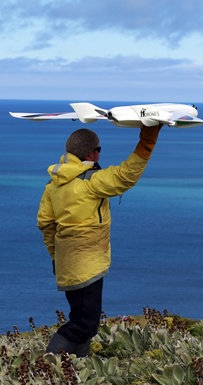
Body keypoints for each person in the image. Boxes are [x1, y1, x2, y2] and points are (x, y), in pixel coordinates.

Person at [37, 124, 162, 356]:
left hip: (66, 262)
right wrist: (149, 137)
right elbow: (126, 175)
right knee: (85, 323)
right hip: (87, 262)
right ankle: (50, 362)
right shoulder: (90, 182)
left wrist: (56, 255)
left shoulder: (53, 185)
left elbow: (45, 223)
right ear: (91, 153)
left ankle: (76, 365)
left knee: (83, 318)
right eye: (99, 149)